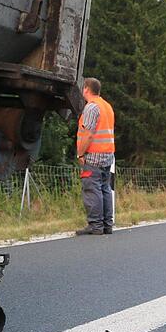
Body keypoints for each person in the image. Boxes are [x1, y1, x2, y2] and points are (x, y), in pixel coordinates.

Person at [74, 77, 115, 235]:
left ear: (86, 89)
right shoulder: (106, 106)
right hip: (107, 154)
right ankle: (107, 225)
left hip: (94, 155)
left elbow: (89, 134)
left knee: (92, 189)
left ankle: (95, 225)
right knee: (105, 188)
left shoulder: (91, 108)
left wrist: (80, 153)